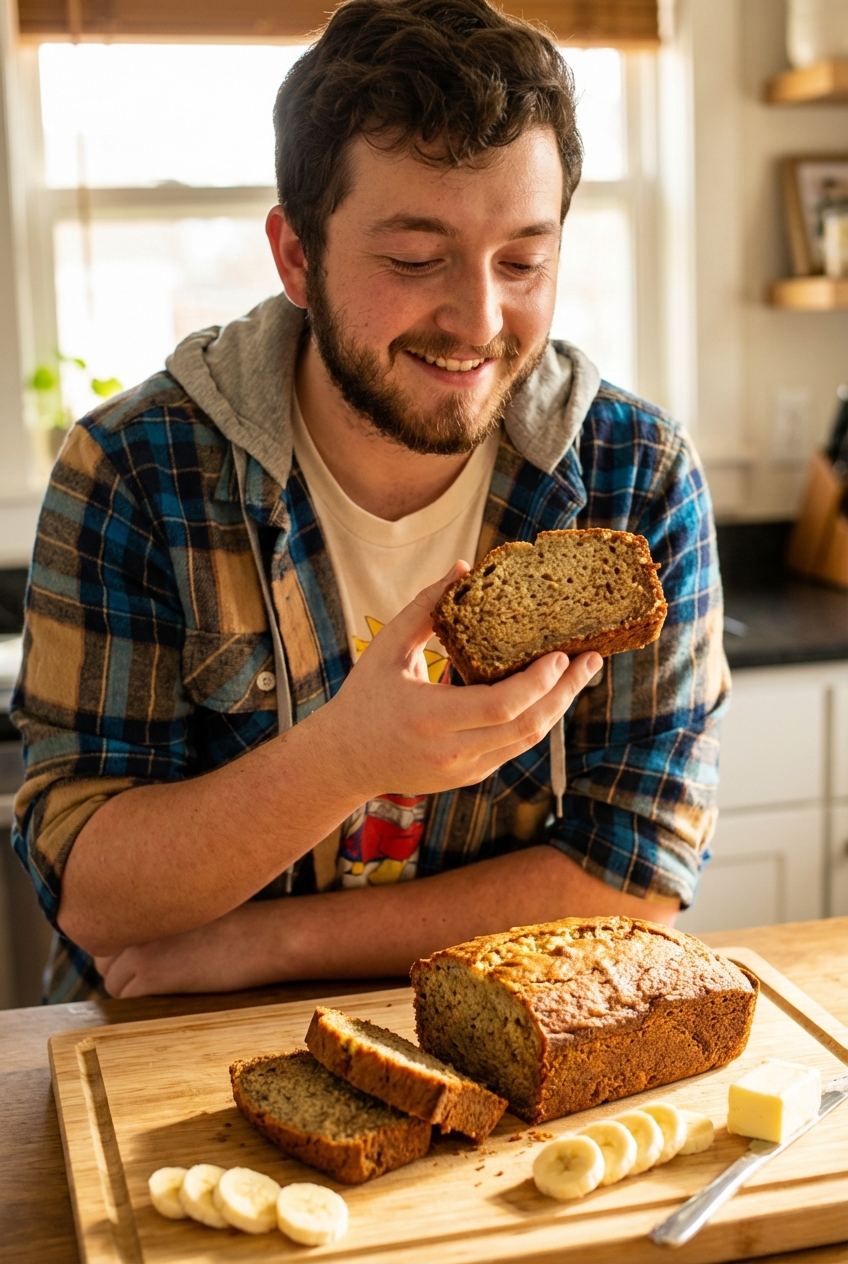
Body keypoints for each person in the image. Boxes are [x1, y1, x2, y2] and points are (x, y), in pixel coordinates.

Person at [11, 0, 728, 1003]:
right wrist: (347, 756)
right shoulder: (135, 470)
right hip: (155, 1054)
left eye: (522, 259)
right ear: (296, 256)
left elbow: (639, 872)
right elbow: (88, 886)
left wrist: (260, 944)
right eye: (413, 259)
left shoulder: (634, 477)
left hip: (484, 1045)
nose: (478, 320)